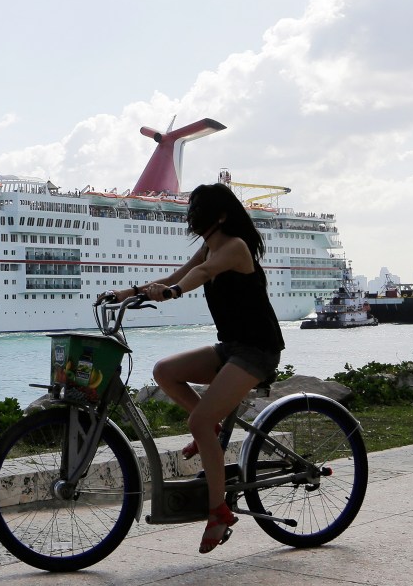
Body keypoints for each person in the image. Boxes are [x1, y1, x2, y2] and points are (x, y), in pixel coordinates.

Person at [104, 182, 285, 555]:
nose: (191, 217)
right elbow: (177, 274)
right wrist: (128, 293)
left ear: (219, 215)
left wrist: (173, 294)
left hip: (258, 350)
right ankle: (212, 428)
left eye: (197, 210)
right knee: (164, 371)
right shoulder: (209, 244)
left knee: (198, 423)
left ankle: (219, 512)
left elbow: (199, 276)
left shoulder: (234, 246)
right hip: (231, 347)